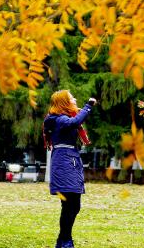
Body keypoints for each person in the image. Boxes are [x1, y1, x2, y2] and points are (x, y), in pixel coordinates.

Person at [43, 90, 96, 248]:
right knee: (69, 204)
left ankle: (63, 239)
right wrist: (88, 106)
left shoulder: (61, 118)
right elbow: (73, 123)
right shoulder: (57, 119)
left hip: (69, 161)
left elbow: (74, 121)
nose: (75, 99)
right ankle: (65, 241)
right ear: (63, 102)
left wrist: (82, 111)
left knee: (73, 205)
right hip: (64, 162)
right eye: (71, 97)